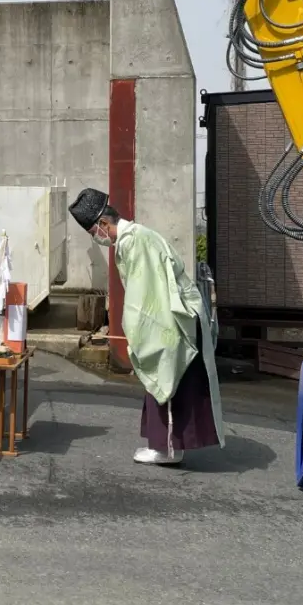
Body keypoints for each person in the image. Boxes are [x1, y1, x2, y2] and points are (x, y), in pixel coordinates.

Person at [69, 187, 224, 466]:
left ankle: (166, 450)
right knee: (168, 381)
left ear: (104, 224)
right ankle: (168, 446)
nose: (97, 238)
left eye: (94, 232)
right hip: (176, 314)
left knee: (164, 376)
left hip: (171, 319)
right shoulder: (135, 237)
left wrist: (138, 334)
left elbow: (145, 296)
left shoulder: (134, 241)